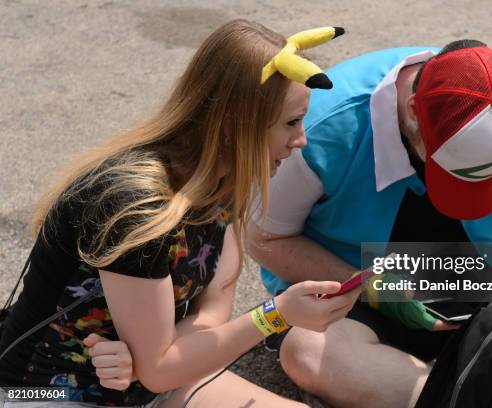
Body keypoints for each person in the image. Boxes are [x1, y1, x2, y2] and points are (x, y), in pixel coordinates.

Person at [0, 20, 360, 407]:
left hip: (146, 385)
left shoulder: (222, 183)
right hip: (38, 391)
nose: (301, 139)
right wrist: (276, 314)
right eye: (291, 122)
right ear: (233, 125)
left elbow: (212, 313)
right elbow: (164, 366)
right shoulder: (135, 208)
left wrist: (156, 358)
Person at [247, 40, 492, 407]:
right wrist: (372, 287)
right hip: (361, 302)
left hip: (490, 291)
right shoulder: (322, 123)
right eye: (452, 176)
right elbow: (264, 239)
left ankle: (449, 394)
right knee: (308, 351)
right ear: (412, 113)